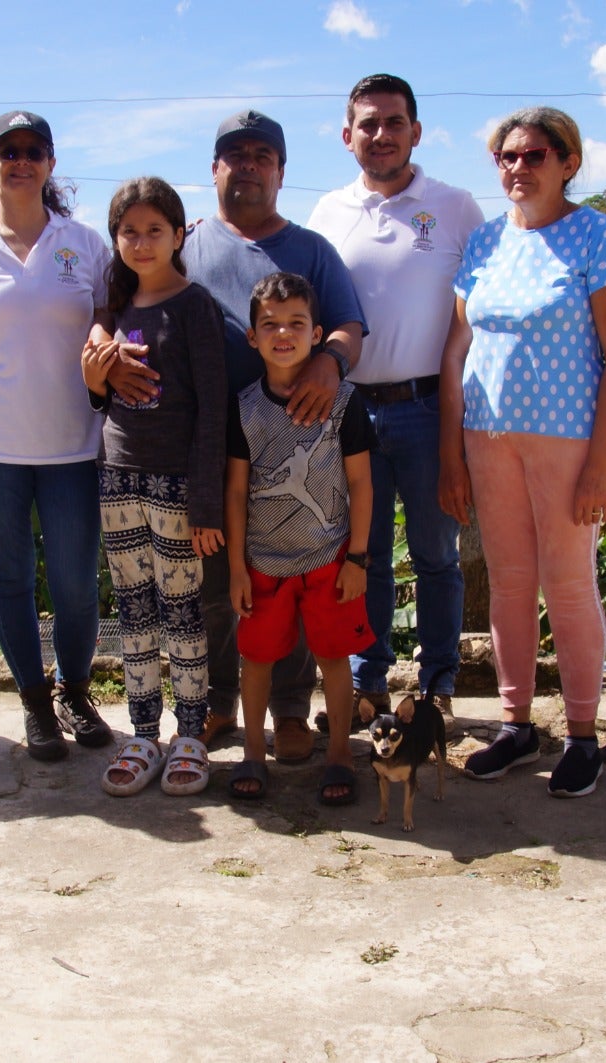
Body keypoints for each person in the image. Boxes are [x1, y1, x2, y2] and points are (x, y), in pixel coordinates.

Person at [102, 109, 367, 766]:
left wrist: (328, 363)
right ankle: (222, 701)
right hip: (206, 447)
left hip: (298, 448)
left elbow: (350, 328)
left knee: (299, 572)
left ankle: (290, 707)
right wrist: (100, 347)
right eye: (233, 154)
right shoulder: (185, 242)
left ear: (280, 169)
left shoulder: (310, 248)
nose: (247, 164)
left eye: (261, 154)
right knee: (222, 580)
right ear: (214, 169)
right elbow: (123, 296)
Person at [439, 107, 606, 798]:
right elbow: (456, 351)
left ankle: (582, 734)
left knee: (570, 584)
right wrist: (451, 452)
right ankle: (517, 723)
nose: (518, 167)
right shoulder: (487, 242)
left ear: (568, 162)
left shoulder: (596, 236)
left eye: (534, 155)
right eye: (507, 157)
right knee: (511, 581)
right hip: (487, 441)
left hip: (566, 442)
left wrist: (600, 467)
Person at [0, 110, 115, 762]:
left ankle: (75, 691)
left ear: (51, 162)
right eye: (9, 151)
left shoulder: (86, 244)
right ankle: (34, 701)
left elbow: (110, 324)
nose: (21, 160)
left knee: (73, 583)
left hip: (72, 444)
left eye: (34, 150)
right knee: (10, 580)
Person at [307, 74, 485, 733]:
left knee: (437, 552)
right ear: (347, 135)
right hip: (350, 411)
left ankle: (437, 685)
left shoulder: (457, 206)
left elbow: (483, 305)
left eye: (394, 122)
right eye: (368, 123)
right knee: (367, 554)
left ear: (416, 130)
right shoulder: (327, 213)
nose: (381, 134)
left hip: (429, 408)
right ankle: (367, 685)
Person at [81, 176, 226, 797]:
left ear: (178, 234)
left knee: (184, 613)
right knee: (133, 609)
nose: (141, 243)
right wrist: (95, 379)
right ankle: (142, 733)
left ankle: (191, 735)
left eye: (154, 231)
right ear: (115, 239)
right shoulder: (113, 309)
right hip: (117, 476)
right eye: (129, 232)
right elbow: (98, 400)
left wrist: (205, 501)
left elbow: (214, 410)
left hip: (176, 485)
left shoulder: (195, 307)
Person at [224, 273, 374, 803]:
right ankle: (253, 755)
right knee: (256, 659)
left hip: (329, 556)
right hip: (263, 562)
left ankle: (338, 753)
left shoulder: (346, 403)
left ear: (318, 335)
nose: (283, 334)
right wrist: (238, 567)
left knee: (334, 657)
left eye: (296, 323)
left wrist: (357, 557)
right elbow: (237, 491)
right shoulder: (242, 408)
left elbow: (360, 482)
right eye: (270, 324)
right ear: (251, 336)